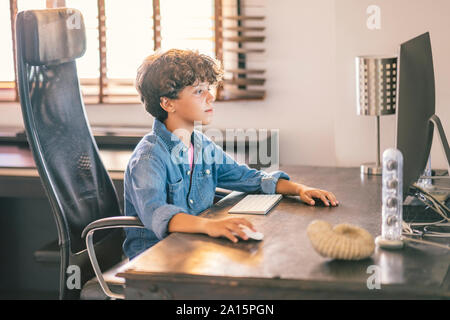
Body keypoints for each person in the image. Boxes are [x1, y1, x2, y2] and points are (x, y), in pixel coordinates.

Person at [123, 49, 338, 259]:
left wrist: (299, 189)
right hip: (155, 261)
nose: (210, 97)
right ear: (167, 103)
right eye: (198, 91)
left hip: (193, 250)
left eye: (208, 88)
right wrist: (211, 226)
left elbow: (248, 178)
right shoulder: (148, 158)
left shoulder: (201, 146)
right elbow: (158, 214)